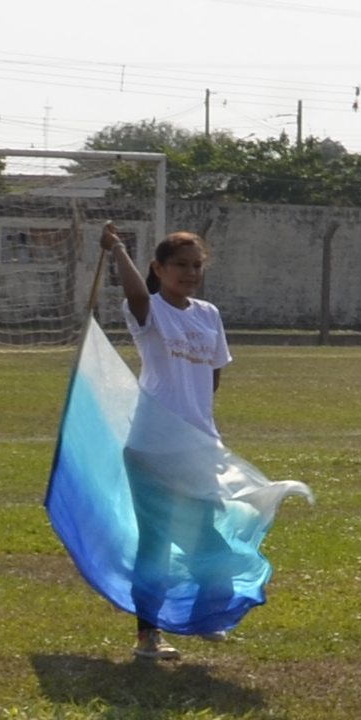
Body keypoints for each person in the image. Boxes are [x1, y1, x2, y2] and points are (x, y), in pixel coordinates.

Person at [103, 224, 236, 656]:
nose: (190, 273)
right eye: (180, 265)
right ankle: (147, 636)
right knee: (157, 541)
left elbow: (211, 378)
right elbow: (139, 298)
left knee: (206, 536)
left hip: (196, 444)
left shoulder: (208, 314)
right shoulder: (149, 309)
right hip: (152, 447)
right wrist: (118, 249)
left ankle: (206, 614)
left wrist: (196, 423)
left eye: (197, 265)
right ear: (158, 268)